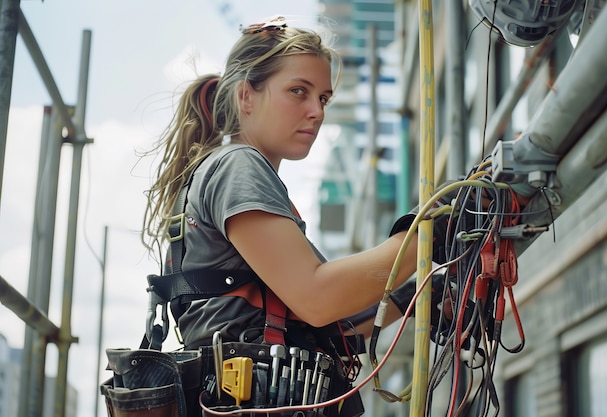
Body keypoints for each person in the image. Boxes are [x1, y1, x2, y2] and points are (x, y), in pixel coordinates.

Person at [140, 15, 419, 416]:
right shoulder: (239, 165)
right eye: (297, 91)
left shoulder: (234, 174)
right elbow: (318, 297)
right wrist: (424, 234)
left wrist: (419, 292)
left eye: (323, 98)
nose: (317, 112)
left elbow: (336, 322)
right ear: (246, 97)